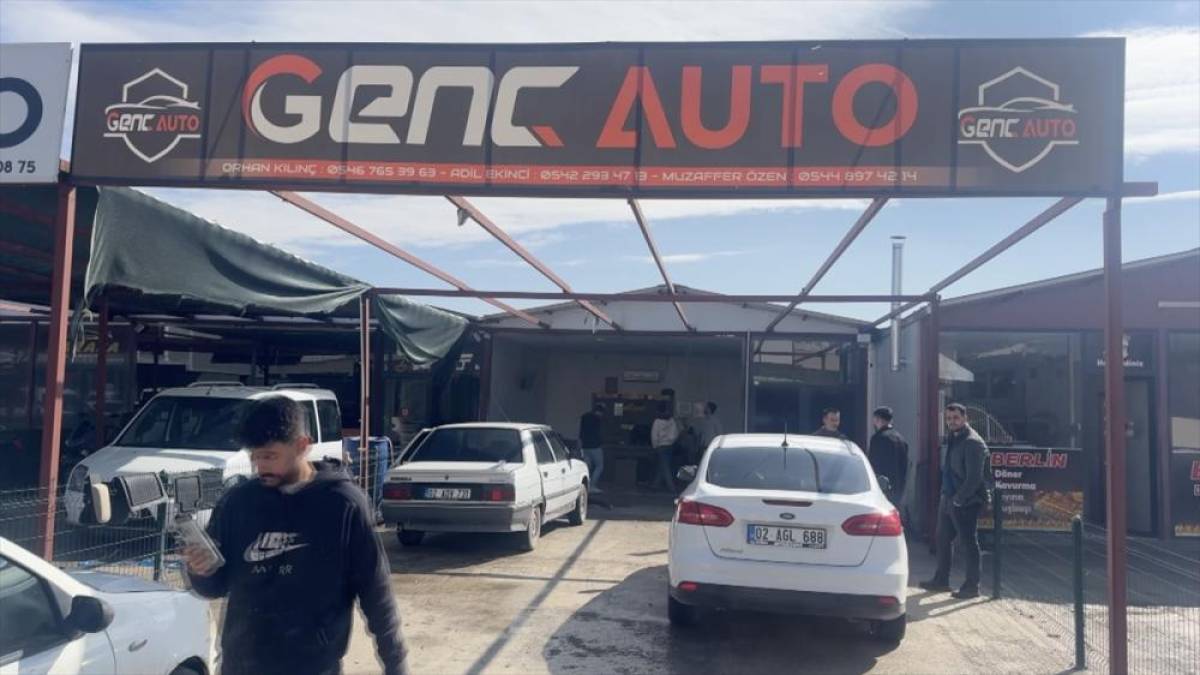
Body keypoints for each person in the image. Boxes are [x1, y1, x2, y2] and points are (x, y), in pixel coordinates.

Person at [184, 396, 408, 675]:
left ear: (303, 445)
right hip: (241, 666)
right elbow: (214, 588)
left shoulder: (343, 505)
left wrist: (397, 667)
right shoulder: (238, 503)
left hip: (312, 666)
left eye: (269, 456)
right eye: (254, 456)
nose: (259, 467)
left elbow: (377, 594)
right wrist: (200, 570)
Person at [920, 402, 992, 600]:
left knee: (969, 543)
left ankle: (972, 586)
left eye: (956, 418)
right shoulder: (954, 437)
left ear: (965, 418)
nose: (952, 422)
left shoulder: (972, 442)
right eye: (949, 419)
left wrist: (959, 500)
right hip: (949, 497)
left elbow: (974, 478)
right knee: (942, 539)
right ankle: (941, 580)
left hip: (966, 500)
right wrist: (947, 497)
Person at [868, 406, 909, 503]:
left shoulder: (878, 438)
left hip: (882, 489)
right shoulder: (901, 440)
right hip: (898, 490)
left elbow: (872, 465)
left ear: (877, 419)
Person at [650, 403, 680, 492]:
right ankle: (655, 484)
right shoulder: (672, 421)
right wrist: (671, 441)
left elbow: (654, 435)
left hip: (660, 446)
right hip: (669, 446)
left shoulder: (657, 421)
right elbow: (675, 434)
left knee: (665, 467)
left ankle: (672, 487)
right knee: (663, 465)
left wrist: (655, 446)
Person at [579, 403, 606, 492]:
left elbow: (581, 432)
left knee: (587, 467)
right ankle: (592, 485)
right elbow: (599, 433)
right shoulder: (597, 419)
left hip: (585, 446)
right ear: (601, 412)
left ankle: (586, 485)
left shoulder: (584, 417)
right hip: (595, 446)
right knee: (599, 466)